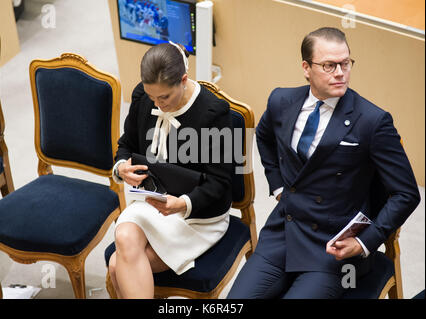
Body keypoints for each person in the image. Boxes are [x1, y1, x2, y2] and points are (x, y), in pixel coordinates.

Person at [227, 27, 420, 299]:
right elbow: (263, 135)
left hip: (334, 247)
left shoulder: (373, 121)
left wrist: (365, 242)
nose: (340, 73)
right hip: (284, 230)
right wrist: (278, 185)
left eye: (345, 63)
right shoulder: (281, 100)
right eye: (329, 65)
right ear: (306, 68)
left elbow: (406, 194)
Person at [108, 42, 232, 299]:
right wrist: (122, 169)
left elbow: (221, 184)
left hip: (197, 217)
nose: (158, 104)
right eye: (152, 96)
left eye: (164, 97)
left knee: (115, 266)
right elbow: (126, 145)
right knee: (124, 235)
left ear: (183, 80)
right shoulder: (143, 97)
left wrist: (183, 204)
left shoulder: (215, 113)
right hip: (151, 204)